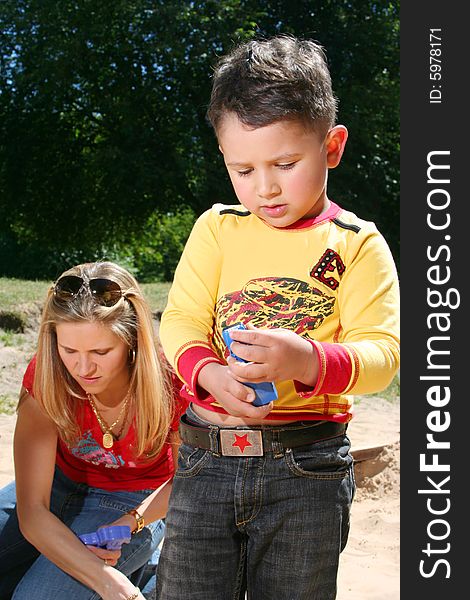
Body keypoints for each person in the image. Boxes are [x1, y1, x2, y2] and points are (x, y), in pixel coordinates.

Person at [156, 34, 400, 600]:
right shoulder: (217, 228)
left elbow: (383, 357)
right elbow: (183, 322)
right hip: (203, 463)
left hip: (307, 469)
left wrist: (306, 359)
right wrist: (211, 376)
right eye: (242, 169)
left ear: (332, 147)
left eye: (285, 164)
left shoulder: (357, 245)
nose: (263, 188)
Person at [0, 261, 187, 600]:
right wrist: (108, 583)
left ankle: (154, 568)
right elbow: (33, 511)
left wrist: (132, 522)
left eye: (101, 352)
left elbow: (188, 481)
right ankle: (145, 576)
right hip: (55, 485)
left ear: (132, 341)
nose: (83, 368)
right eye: (68, 350)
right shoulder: (46, 374)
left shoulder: (172, 384)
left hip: (137, 502)